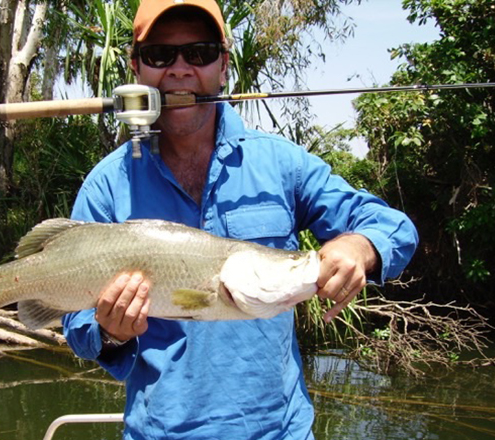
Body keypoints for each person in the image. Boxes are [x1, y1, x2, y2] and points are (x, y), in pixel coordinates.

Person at [62, 0, 418, 438]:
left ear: (223, 65)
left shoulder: (280, 163)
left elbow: (392, 227)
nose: (179, 70)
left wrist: (359, 247)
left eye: (199, 53)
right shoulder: (107, 183)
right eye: (160, 56)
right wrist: (109, 331)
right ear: (137, 68)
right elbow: (75, 327)